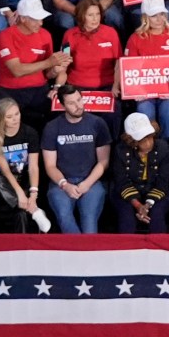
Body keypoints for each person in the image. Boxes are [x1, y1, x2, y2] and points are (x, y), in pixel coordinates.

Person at [41, 85, 113, 234]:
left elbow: (103, 161)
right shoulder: (52, 127)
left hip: (91, 181)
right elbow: (50, 166)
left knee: (89, 219)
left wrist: (87, 183)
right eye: (72, 103)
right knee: (64, 216)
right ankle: (77, 252)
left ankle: (88, 252)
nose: (78, 106)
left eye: (79, 100)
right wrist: (64, 185)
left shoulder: (97, 123)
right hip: (61, 182)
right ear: (62, 105)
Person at [0, 0, 67, 124]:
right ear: (23, 18)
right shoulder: (6, 36)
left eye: (41, 19)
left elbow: (47, 73)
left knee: (59, 114)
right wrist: (49, 62)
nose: (41, 23)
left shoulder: (45, 35)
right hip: (10, 90)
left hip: (39, 89)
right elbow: (16, 70)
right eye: (36, 20)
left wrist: (54, 70)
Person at [123, 0, 169, 141]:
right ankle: (147, 149)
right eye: (154, 16)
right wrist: (136, 89)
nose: (159, 19)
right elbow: (129, 67)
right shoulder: (136, 38)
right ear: (145, 18)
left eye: (162, 14)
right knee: (144, 111)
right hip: (145, 92)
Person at [0, 97, 48, 232]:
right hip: (3, 184)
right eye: (9, 117)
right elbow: (5, 171)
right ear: (1, 119)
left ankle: (23, 247)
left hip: (24, 179)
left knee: (20, 213)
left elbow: (33, 167)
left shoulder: (30, 133)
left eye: (17, 114)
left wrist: (33, 194)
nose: (15, 119)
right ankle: (35, 211)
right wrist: (19, 193)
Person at [111, 111, 169, 233]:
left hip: (157, 189)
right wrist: (138, 205)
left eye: (150, 138)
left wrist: (147, 205)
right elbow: (121, 181)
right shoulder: (121, 150)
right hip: (127, 190)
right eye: (142, 140)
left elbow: (163, 180)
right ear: (132, 141)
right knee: (126, 219)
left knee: (156, 216)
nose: (148, 143)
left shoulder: (162, 148)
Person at [62, 0, 123, 103]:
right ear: (81, 16)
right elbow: (63, 64)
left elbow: (119, 63)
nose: (95, 19)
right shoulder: (69, 35)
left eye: (97, 14)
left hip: (107, 87)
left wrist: (115, 86)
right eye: (90, 15)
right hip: (78, 87)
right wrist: (58, 87)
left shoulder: (111, 33)